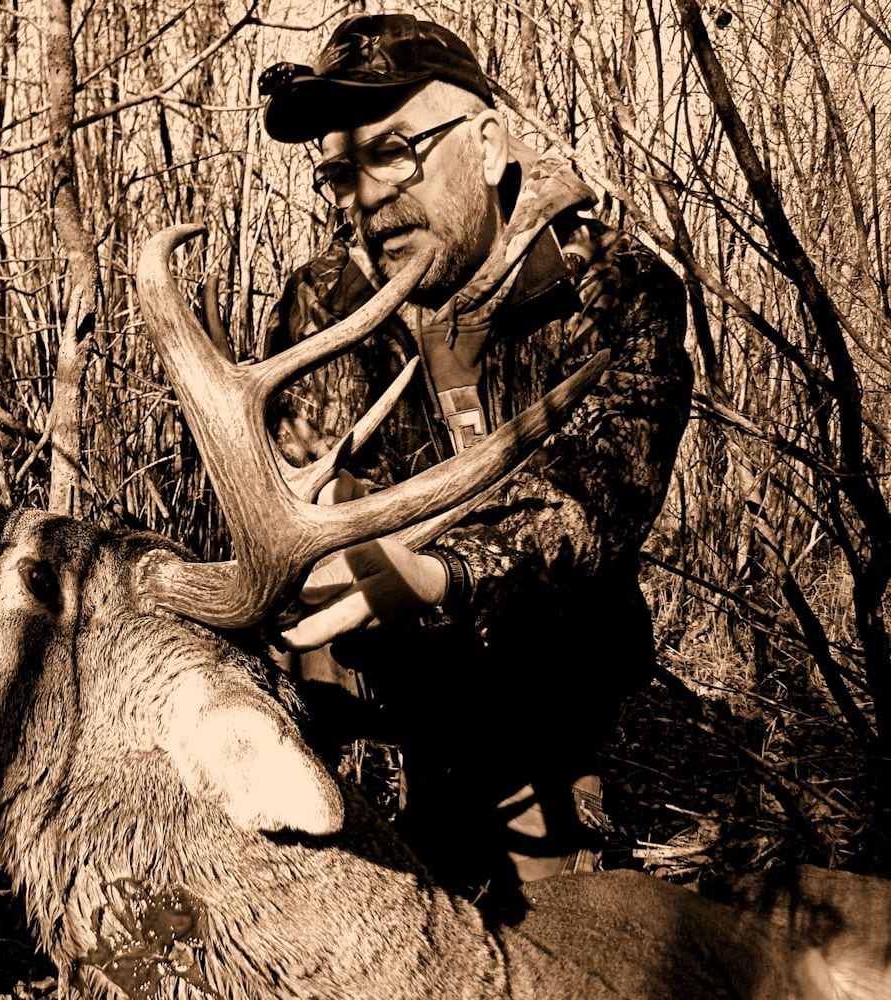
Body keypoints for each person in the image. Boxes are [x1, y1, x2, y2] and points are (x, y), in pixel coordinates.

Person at [257, 13, 693, 915]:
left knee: (563, 939)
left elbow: (595, 498)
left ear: (488, 144)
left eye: (393, 151)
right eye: (340, 170)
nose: (362, 198)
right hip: (382, 693)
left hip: (545, 686)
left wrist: (441, 569)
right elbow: (302, 491)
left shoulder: (612, 286)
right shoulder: (320, 308)